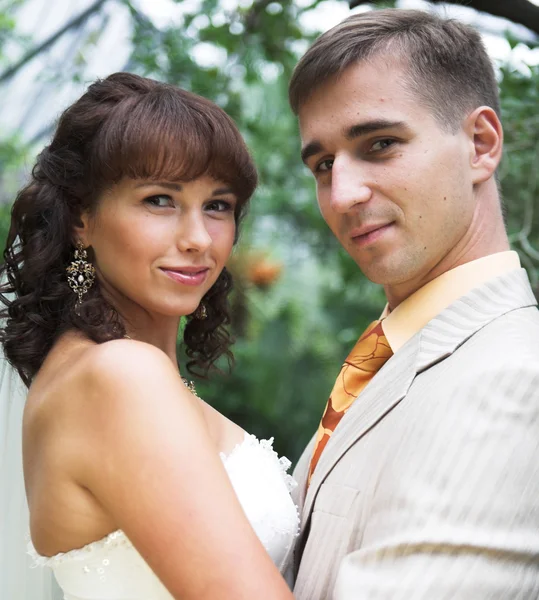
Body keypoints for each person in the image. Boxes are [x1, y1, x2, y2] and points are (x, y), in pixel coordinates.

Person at [0, 72, 298, 600]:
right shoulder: (118, 375)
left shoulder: (102, 370)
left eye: (219, 205)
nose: (198, 239)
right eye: (160, 200)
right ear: (81, 219)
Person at [285, 8, 539, 599]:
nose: (342, 195)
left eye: (379, 145)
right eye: (323, 165)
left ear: (480, 144)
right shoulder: (397, 353)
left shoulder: (512, 379)